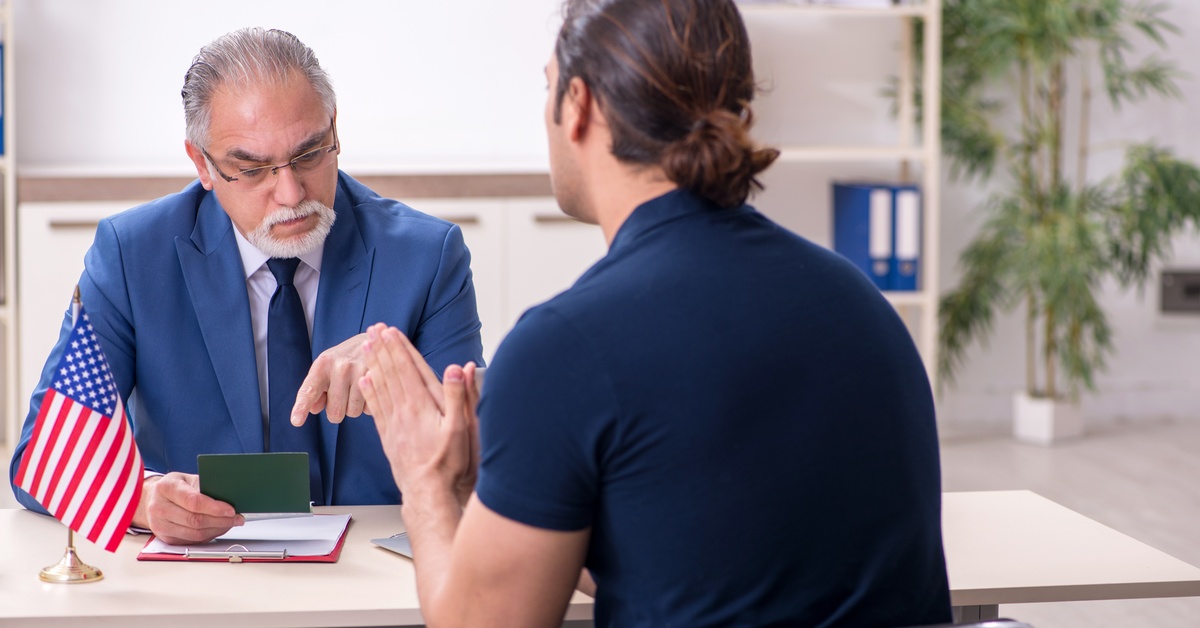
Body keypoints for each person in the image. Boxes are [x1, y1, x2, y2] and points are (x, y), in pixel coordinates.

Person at [355, 1, 951, 626]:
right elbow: (699, 549)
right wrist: (508, 487)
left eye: (548, 87)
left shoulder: (565, 347)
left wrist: (425, 481)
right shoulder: (862, 305)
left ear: (578, 105)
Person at [8, 27, 485, 545]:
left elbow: (483, 461)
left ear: (334, 130)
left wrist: (402, 375)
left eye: (309, 155)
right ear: (202, 165)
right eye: (252, 169)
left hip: (376, 562)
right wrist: (144, 500)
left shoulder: (427, 256)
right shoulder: (132, 254)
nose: (290, 193)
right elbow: (43, 456)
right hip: (204, 573)